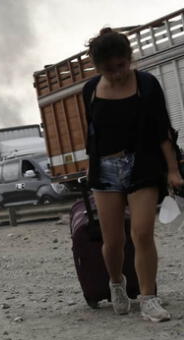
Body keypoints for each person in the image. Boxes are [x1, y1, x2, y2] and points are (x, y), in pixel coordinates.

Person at [83, 27, 184, 322]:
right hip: (105, 170)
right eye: (108, 69)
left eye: (122, 66)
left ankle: (149, 298)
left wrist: (174, 170)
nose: (117, 74)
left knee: (141, 232)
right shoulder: (90, 90)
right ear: (97, 66)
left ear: (130, 58)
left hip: (142, 165)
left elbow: (162, 130)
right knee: (113, 240)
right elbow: (93, 134)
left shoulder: (147, 84)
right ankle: (116, 284)